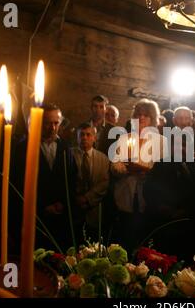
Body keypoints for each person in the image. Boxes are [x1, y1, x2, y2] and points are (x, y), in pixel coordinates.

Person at [11, 104, 77, 252]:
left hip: (60, 218)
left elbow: (72, 178)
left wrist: (63, 204)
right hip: (34, 216)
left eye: (56, 123)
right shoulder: (23, 147)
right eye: (48, 123)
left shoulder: (66, 147)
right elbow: (19, 182)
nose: (53, 128)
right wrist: (41, 207)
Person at [110, 99, 168, 252]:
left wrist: (144, 170)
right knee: (124, 238)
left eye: (146, 115)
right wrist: (128, 169)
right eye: (138, 114)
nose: (141, 118)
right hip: (125, 195)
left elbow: (163, 170)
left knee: (144, 242)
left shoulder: (161, 142)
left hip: (148, 198)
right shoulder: (124, 138)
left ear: (152, 119)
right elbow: (114, 165)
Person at [71, 123, 110, 243]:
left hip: (94, 210)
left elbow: (104, 183)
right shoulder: (68, 154)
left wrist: (87, 198)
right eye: (81, 134)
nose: (84, 137)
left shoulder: (103, 158)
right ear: (77, 137)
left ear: (94, 137)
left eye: (88, 134)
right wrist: (76, 198)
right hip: (73, 209)